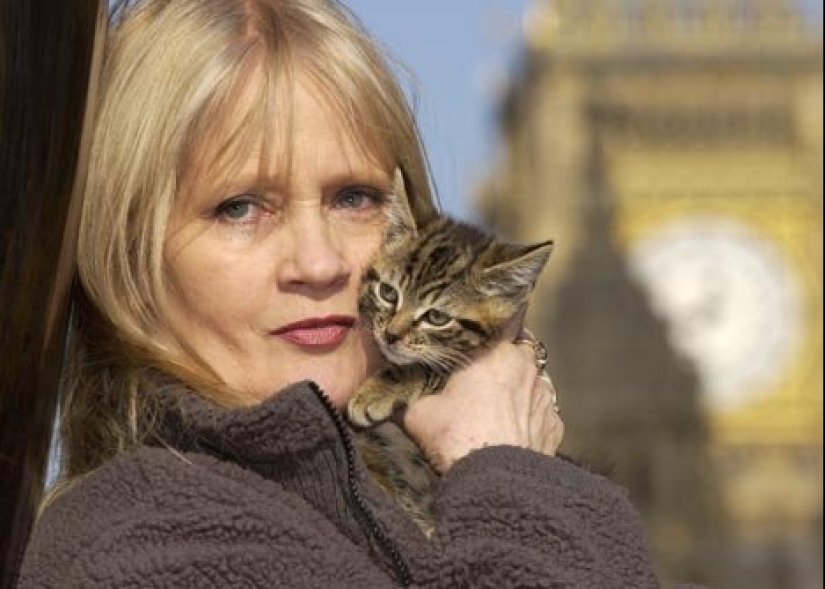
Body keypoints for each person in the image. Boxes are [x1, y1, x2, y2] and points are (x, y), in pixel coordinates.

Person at [19, 1, 681, 587]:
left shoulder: (399, 506)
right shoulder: (140, 546)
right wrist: (506, 472)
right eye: (240, 207)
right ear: (127, 256)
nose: (318, 261)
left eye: (354, 197)